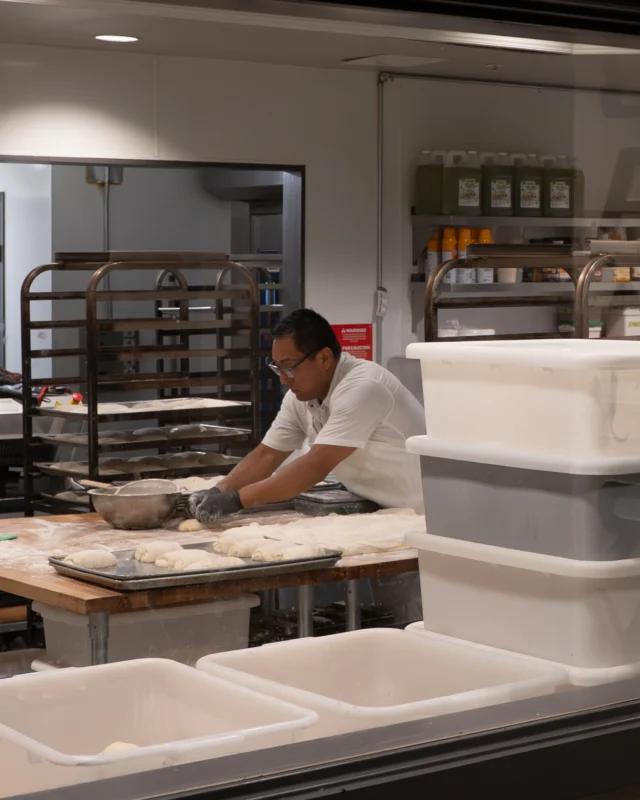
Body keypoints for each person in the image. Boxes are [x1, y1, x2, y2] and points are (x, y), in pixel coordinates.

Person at [190, 308, 426, 525]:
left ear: (324, 358)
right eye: (278, 368)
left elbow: (315, 465)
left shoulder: (364, 386)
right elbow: (268, 454)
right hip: (379, 511)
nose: (283, 378)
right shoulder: (300, 397)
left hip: (422, 513)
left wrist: (237, 500)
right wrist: (218, 491)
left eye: (289, 366)